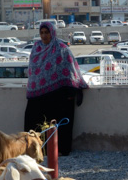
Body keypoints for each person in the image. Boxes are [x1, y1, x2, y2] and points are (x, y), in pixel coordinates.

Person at [24, 21, 88, 156]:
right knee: (34, 120)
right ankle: (35, 150)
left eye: (47, 32)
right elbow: (33, 71)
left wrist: (77, 88)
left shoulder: (61, 48)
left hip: (58, 94)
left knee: (58, 123)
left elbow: (71, 69)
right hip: (38, 94)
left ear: (52, 32)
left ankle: (59, 150)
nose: (44, 35)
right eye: (41, 33)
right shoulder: (36, 48)